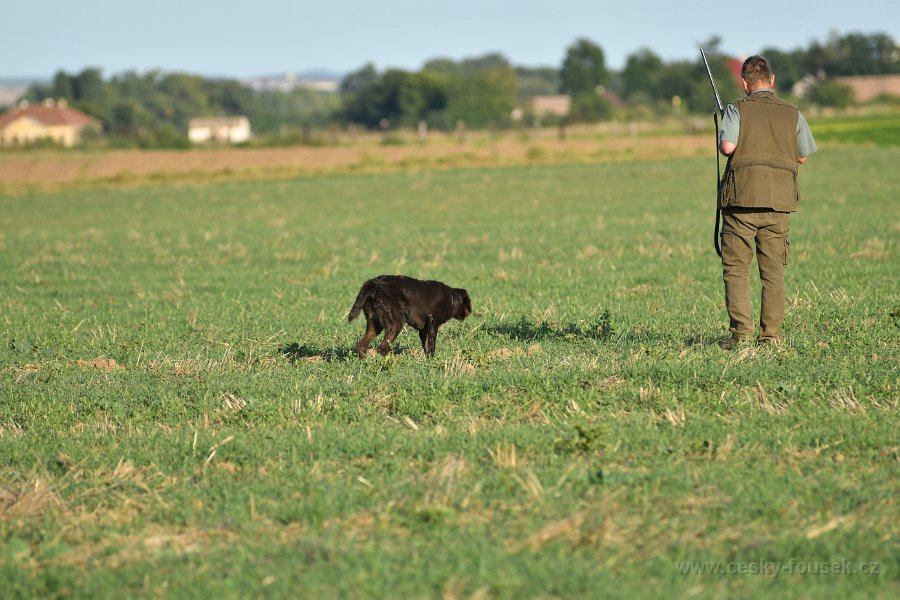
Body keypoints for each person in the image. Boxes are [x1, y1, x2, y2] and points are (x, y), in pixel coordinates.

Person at [716, 55, 816, 349]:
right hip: (779, 202)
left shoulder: (736, 108)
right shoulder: (792, 111)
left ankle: (740, 335)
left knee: (736, 269)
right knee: (772, 272)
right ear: (772, 81)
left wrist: (724, 124)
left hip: (741, 201)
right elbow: (803, 155)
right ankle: (770, 337)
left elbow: (727, 147)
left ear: (745, 83)